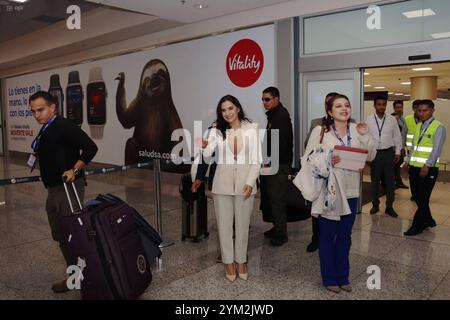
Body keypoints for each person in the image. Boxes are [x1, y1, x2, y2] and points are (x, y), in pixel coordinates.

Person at [304, 94, 376, 293]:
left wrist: (364, 135)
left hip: (351, 192)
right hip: (330, 192)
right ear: (329, 112)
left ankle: (343, 276)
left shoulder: (356, 128)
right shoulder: (321, 131)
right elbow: (308, 158)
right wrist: (328, 158)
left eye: (346, 105)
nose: (344, 109)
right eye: (338, 106)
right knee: (327, 236)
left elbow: (371, 155)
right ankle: (329, 278)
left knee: (345, 235)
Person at [29, 91, 98, 293]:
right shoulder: (47, 128)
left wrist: (75, 170)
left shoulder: (64, 126)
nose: (37, 115)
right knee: (60, 234)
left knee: (72, 234)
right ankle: (75, 274)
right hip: (53, 190)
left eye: (40, 110)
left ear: (53, 107)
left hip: (68, 189)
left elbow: (90, 148)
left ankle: (86, 276)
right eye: (33, 111)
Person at [201, 95, 261, 281]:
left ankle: (241, 261)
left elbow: (256, 159)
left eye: (230, 108)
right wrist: (205, 145)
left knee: (243, 226)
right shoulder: (216, 129)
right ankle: (228, 262)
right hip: (222, 184)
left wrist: (250, 182)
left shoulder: (251, 128)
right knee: (224, 226)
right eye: (223, 110)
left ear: (237, 109)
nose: (227, 113)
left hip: (245, 185)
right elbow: (208, 153)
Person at [404, 99, 446, 236]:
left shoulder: (438, 127)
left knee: (423, 197)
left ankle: (417, 225)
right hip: (414, 167)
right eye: (419, 110)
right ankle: (429, 219)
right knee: (417, 196)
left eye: (425, 110)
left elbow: (436, 149)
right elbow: (413, 147)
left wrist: (427, 165)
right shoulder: (418, 126)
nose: (421, 113)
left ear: (432, 110)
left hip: (428, 168)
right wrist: (408, 161)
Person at [303, 92, 338, 253]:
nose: (328, 105)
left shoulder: (348, 123)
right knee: (317, 210)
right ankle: (316, 238)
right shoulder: (317, 123)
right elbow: (307, 146)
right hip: (320, 174)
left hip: (338, 174)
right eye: (326, 103)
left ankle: (332, 238)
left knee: (334, 208)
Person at [260, 86, 293, 246]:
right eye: (263, 99)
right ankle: (277, 227)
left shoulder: (280, 116)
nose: (264, 102)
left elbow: (281, 144)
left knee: (277, 199)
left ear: (276, 99)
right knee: (272, 198)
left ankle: (281, 234)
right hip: (273, 163)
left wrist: (269, 161)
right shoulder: (275, 115)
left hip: (278, 165)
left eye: (267, 99)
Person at [365, 95, 402, 217]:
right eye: (379, 104)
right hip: (375, 154)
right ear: (374, 105)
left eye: (384, 104)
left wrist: (397, 152)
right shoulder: (368, 120)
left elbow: (397, 136)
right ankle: (375, 205)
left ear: (386, 105)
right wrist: (367, 155)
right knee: (375, 181)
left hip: (388, 153)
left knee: (390, 181)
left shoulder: (392, 119)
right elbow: (365, 138)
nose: (381, 107)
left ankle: (389, 206)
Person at [405, 99, 422, 201]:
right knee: (413, 175)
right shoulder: (407, 120)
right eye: (416, 108)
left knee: (421, 175)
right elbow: (403, 135)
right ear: (413, 108)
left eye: (419, 108)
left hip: (422, 153)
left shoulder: (426, 120)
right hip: (410, 151)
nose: (418, 110)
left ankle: (420, 193)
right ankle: (414, 194)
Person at [392, 100, 408, 189]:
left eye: (400, 107)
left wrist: (403, 148)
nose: (399, 109)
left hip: (401, 147)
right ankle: (390, 184)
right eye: (397, 107)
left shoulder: (403, 119)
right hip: (394, 149)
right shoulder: (392, 118)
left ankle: (398, 182)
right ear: (394, 108)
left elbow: (403, 135)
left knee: (398, 166)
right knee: (393, 167)